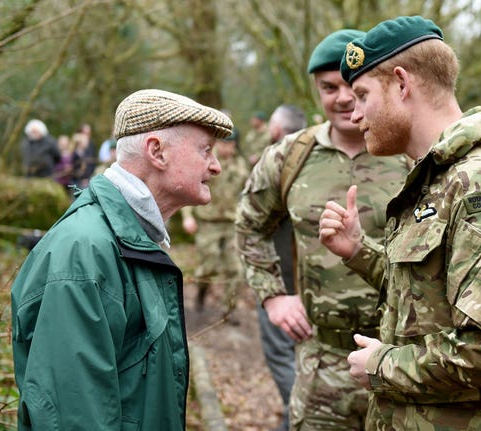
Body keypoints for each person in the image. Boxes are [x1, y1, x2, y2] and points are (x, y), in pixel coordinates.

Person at [318, 16, 481, 430]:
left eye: (363, 95)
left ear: (402, 84)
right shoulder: (435, 179)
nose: (354, 115)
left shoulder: (478, 189)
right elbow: (428, 299)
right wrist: (359, 251)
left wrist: (382, 364)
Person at [11, 88, 233, 430]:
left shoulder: (128, 238)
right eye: (206, 150)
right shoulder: (85, 253)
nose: (216, 166)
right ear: (156, 152)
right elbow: (75, 417)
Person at [235, 29, 410, 430]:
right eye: (329, 87)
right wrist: (273, 296)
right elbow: (249, 223)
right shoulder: (290, 156)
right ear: (317, 90)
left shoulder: (409, 154)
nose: (344, 98)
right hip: (321, 362)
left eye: (352, 85)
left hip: (401, 359)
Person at [256, 103, 307, 431]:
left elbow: (252, 224)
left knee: (283, 358)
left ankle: (302, 416)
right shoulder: (321, 159)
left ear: (276, 131)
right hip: (322, 284)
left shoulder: (274, 164)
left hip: (283, 282)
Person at [181, 129, 249, 315]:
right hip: (208, 222)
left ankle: (229, 311)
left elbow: (246, 193)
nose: (228, 148)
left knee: (235, 270)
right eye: (225, 144)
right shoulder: (207, 162)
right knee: (208, 267)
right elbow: (191, 187)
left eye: (232, 144)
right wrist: (188, 216)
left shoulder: (240, 164)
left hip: (231, 223)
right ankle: (201, 294)